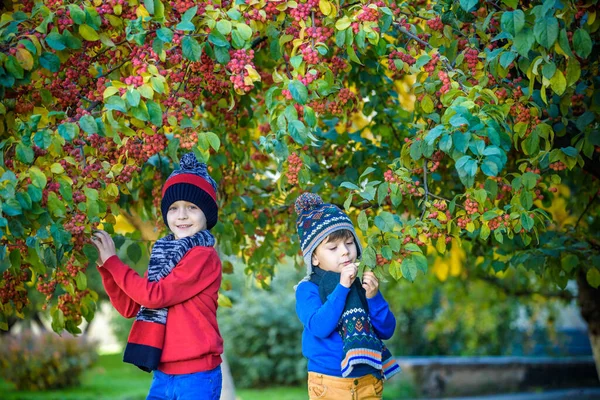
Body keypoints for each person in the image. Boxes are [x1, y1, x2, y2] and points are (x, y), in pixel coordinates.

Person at [91, 153, 223, 400]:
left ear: (207, 214)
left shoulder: (203, 257)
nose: (181, 215)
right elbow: (130, 305)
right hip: (162, 373)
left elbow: (155, 296)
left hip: (197, 376)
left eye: (192, 207)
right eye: (173, 208)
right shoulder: (163, 255)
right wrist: (105, 268)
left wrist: (113, 261)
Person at [294, 192, 401, 400]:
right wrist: (342, 288)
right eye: (333, 247)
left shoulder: (361, 283)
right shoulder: (307, 289)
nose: (344, 251)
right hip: (328, 383)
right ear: (314, 257)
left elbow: (387, 330)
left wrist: (374, 297)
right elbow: (319, 326)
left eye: (349, 243)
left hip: (369, 380)